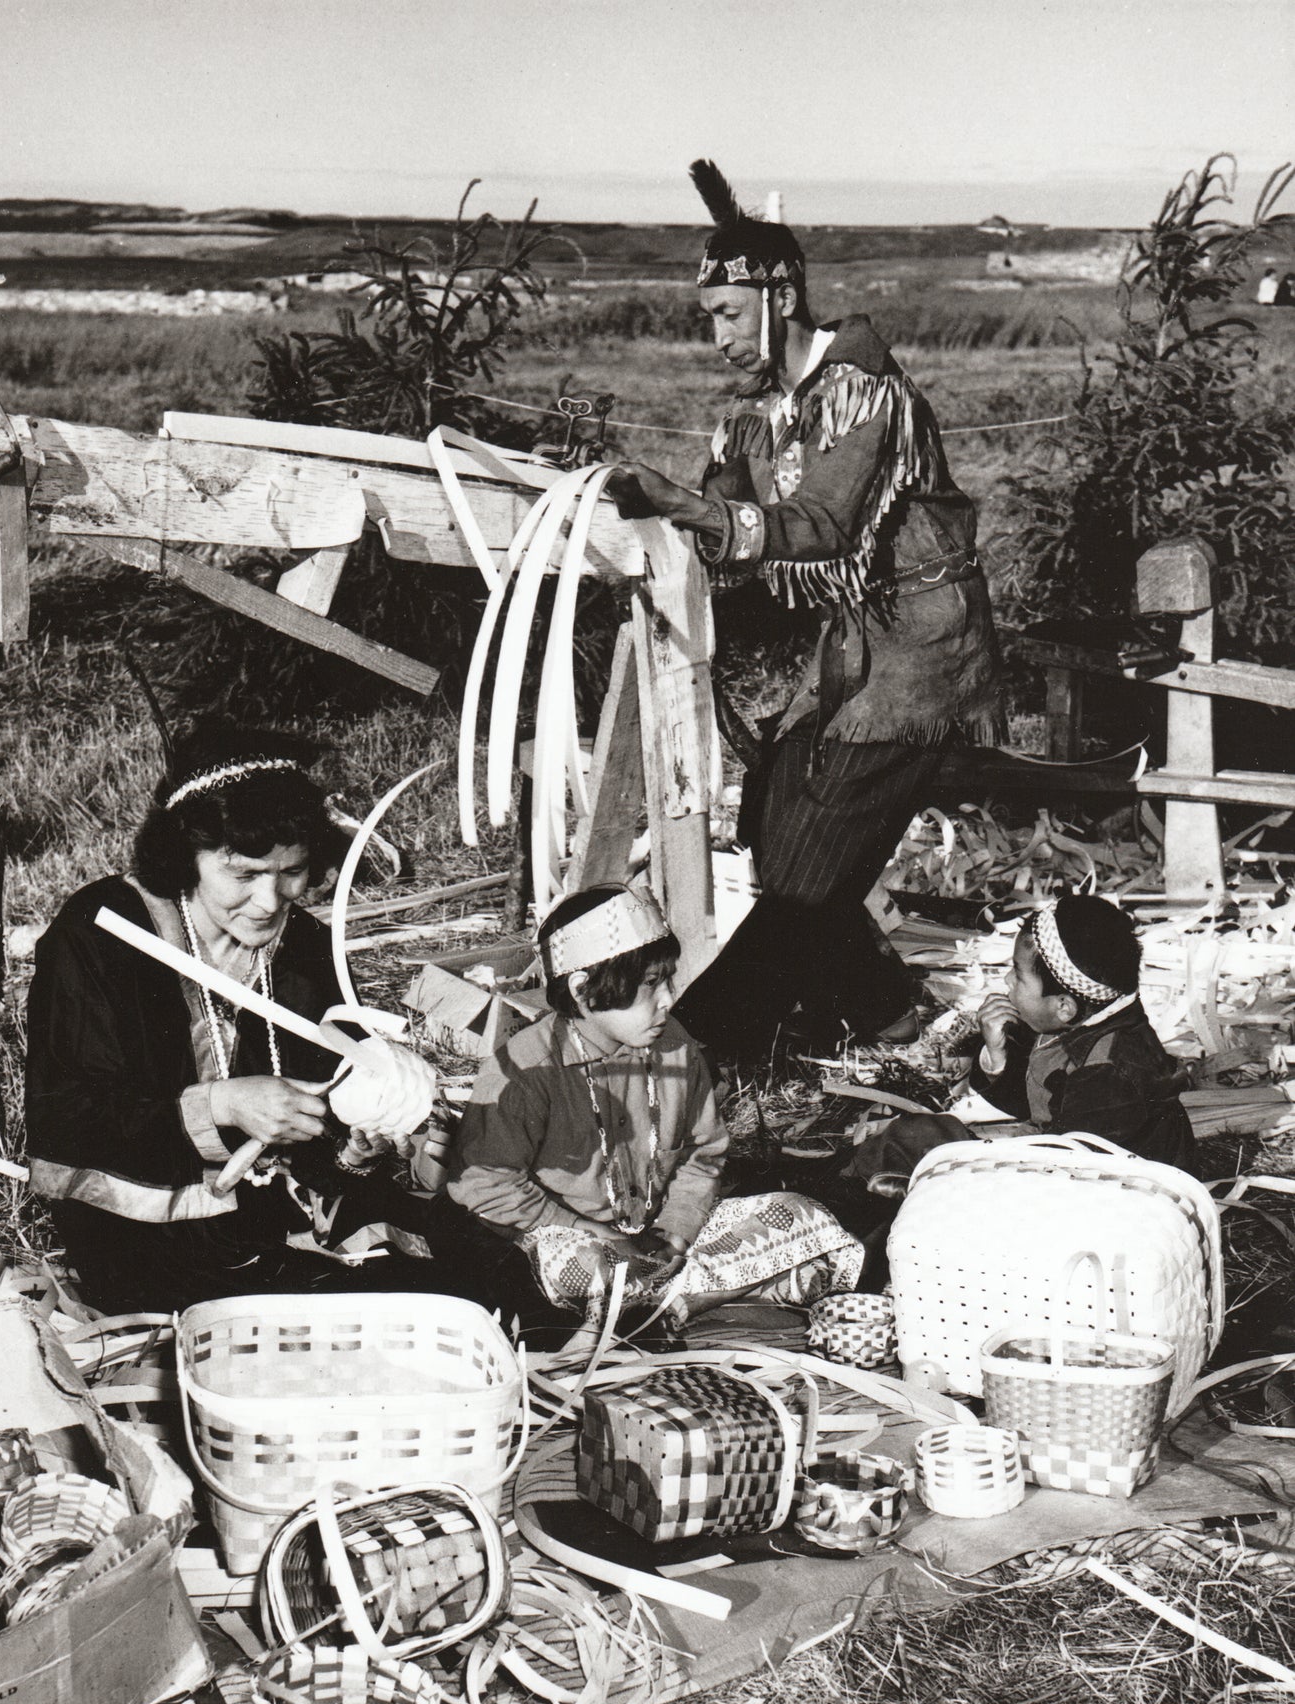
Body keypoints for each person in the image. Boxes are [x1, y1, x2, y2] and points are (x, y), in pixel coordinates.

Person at [607, 160, 1003, 1064]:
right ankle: (889, 1013)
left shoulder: (869, 395)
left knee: (803, 877)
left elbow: (818, 527)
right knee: (772, 824)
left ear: (779, 293)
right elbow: (730, 525)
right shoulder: (761, 417)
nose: (714, 337)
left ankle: (698, 1054)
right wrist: (637, 503)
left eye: (725, 314)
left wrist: (681, 503)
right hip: (853, 648)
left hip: (920, 657)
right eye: (706, 318)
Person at [25, 727, 434, 1314]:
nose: (270, 900)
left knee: (432, 1284)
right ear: (183, 857)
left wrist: (357, 1144)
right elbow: (63, 1115)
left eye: (291, 871)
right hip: (137, 1222)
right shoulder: (102, 932)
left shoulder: (304, 948)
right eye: (243, 875)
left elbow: (324, 1105)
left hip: (270, 1212)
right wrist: (220, 1105)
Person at [439, 882, 863, 1338]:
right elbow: (486, 1186)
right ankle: (711, 1295)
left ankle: (664, 1306)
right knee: (583, 1270)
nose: (667, 999)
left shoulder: (674, 1045)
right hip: (572, 1240)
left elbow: (704, 1155)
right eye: (649, 985)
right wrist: (594, 1233)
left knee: (799, 1214)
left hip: (663, 1238)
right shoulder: (526, 1069)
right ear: (584, 989)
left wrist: (674, 1234)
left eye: (667, 980)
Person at [852, 895, 1198, 1190]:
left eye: (1017, 974)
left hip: (1106, 1199)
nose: (1006, 980)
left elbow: (1072, 1177)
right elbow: (1038, 1103)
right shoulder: (1081, 1022)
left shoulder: (1108, 1073)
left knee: (917, 1145)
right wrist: (997, 1054)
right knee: (916, 1139)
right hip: (1061, 1163)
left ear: (1064, 1005)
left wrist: (961, 1173)